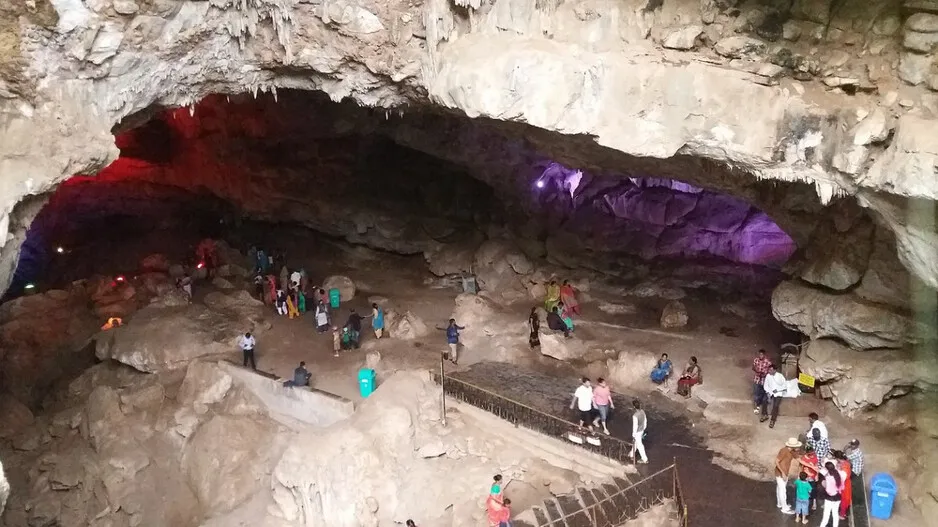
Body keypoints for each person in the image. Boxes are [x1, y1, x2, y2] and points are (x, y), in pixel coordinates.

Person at [774, 437, 801, 515]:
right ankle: (784, 508)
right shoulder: (783, 451)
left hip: (785, 473)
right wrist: (782, 472)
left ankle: (780, 504)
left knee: (779, 488)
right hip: (781, 474)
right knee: (783, 490)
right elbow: (776, 461)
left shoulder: (791, 451)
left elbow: (799, 459)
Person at [818, 461, 846, 527]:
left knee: (826, 514)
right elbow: (842, 486)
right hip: (838, 497)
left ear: (827, 469)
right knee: (835, 513)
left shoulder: (828, 478)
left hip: (829, 498)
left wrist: (823, 484)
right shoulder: (839, 474)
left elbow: (828, 490)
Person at [761, 364, 786, 428]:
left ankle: (773, 420)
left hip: (778, 393)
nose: (769, 371)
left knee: (776, 405)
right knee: (764, 400)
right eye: (769, 370)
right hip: (770, 392)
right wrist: (769, 394)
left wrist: (778, 390)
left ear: (775, 370)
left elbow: (784, 385)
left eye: (771, 370)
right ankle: (765, 415)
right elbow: (766, 386)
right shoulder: (768, 376)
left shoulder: (780, 376)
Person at [798, 444, 821, 512]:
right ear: (807, 452)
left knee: (813, 490)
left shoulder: (815, 457)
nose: (812, 455)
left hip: (813, 477)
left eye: (813, 453)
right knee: (805, 490)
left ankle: (814, 502)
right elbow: (800, 467)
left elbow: (816, 466)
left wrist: (817, 475)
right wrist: (799, 476)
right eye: (810, 454)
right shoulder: (803, 458)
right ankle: (805, 503)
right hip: (805, 477)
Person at [833, 451, 853, 520]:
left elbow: (843, 477)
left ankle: (842, 514)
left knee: (844, 500)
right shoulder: (846, 462)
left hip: (844, 485)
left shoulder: (844, 467)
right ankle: (843, 511)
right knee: (845, 499)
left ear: (838, 458)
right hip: (847, 484)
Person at [752, 349, 772, 414]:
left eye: (762, 354)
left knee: (762, 393)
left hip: (764, 380)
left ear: (764, 355)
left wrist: (765, 374)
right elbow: (753, 367)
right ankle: (756, 406)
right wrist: (756, 370)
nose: (760, 356)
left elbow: (770, 371)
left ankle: (759, 405)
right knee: (756, 393)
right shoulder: (756, 360)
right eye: (759, 354)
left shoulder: (768, 362)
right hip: (757, 379)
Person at [630, 399, 648, 464]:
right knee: (636, 443)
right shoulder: (643, 412)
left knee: (640, 445)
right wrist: (644, 428)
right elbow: (645, 421)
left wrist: (633, 434)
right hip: (642, 430)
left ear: (634, 407)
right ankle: (631, 454)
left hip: (637, 432)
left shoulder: (635, 416)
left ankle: (644, 459)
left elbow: (635, 426)